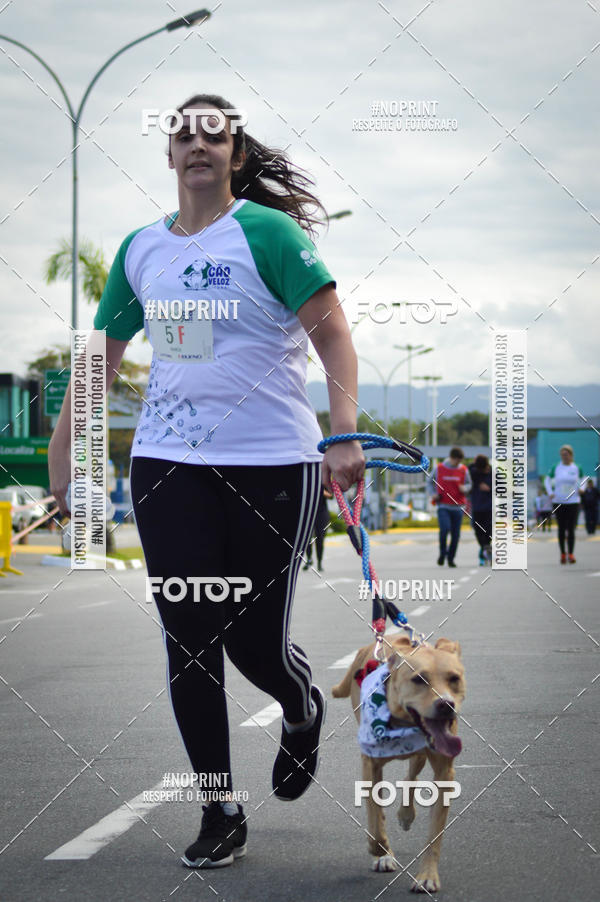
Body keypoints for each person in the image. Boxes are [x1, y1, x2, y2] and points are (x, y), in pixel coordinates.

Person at [48, 94, 365, 869]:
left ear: (236, 157)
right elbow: (101, 363)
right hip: (167, 466)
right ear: (169, 156)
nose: (196, 144)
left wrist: (344, 433)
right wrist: (63, 461)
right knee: (189, 639)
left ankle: (299, 706)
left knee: (256, 644)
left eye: (213, 134)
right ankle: (218, 806)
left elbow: (333, 337)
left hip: (273, 465)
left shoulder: (268, 233)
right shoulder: (140, 250)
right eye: (182, 133)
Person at [428, 447, 472, 567]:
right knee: (445, 529)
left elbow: (469, 484)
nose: (458, 463)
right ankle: (443, 554)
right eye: (457, 461)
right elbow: (429, 482)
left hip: (458, 507)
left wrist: (466, 488)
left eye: (460, 461)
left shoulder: (463, 469)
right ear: (452, 458)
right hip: (443, 506)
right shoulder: (439, 468)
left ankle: (451, 558)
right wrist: (433, 494)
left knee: (456, 534)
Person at [544, 445, 586, 563]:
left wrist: (582, 488)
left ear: (571, 455)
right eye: (562, 455)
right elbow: (547, 480)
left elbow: (584, 479)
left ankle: (571, 554)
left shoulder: (577, 467)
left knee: (571, 529)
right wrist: (550, 492)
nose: (564, 457)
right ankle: (563, 553)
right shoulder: (556, 467)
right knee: (561, 528)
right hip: (559, 501)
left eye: (566, 454)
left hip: (573, 502)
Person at [468, 455, 492, 565]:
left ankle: (485, 550)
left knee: (488, 531)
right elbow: (468, 468)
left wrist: (490, 489)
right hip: (477, 507)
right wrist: (475, 463)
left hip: (490, 508)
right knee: (478, 531)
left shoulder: (493, 474)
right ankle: (484, 549)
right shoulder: (473, 472)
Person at [303, 485, 332, 571]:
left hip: (321, 514)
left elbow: (331, 496)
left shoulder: (323, 482)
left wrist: (321, 491)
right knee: (307, 538)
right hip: (309, 514)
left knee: (320, 539)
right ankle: (309, 559)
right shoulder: (308, 482)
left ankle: (319, 563)